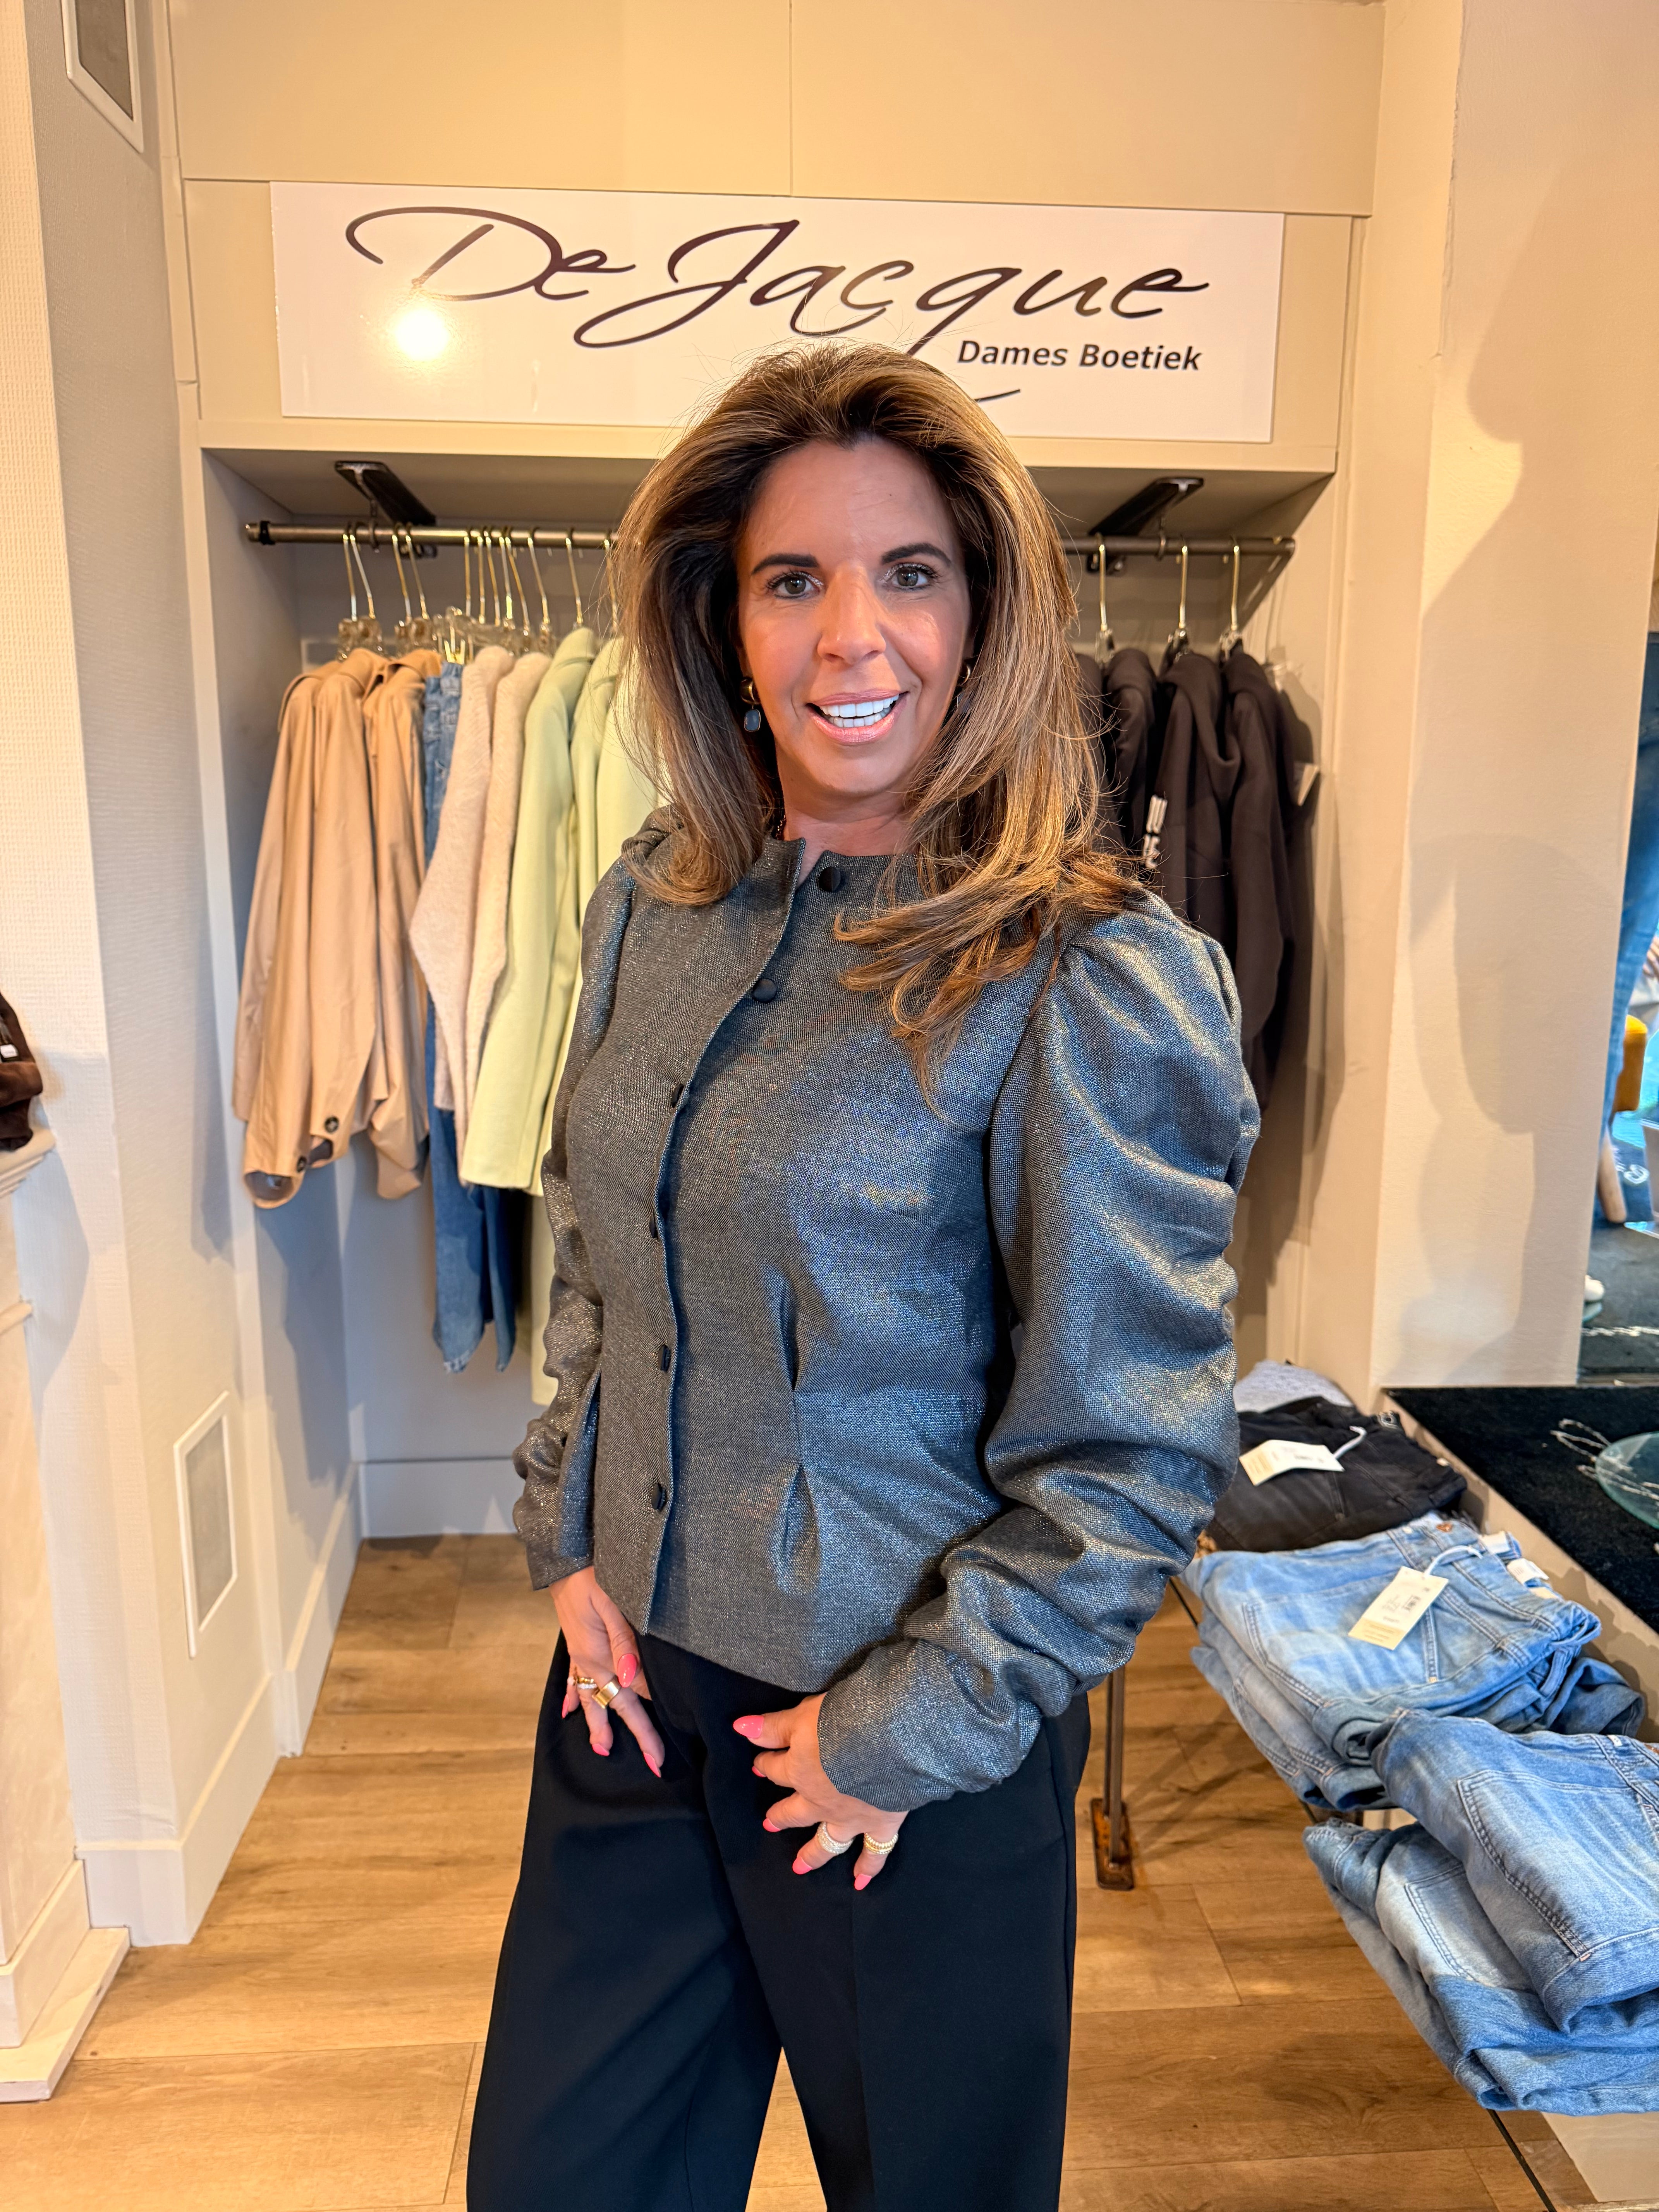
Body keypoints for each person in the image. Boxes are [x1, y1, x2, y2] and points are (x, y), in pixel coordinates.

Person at [469, 343, 1258, 2212]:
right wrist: (565, 1522)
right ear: (720, 621)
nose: (852, 637)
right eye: (791, 579)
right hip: (632, 1696)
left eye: (909, 573)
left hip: (900, 1747)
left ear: (984, 614)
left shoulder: (1083, 972)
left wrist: (906, 1733)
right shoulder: (654, 901)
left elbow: (1135, 1452)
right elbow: (601, 1249)